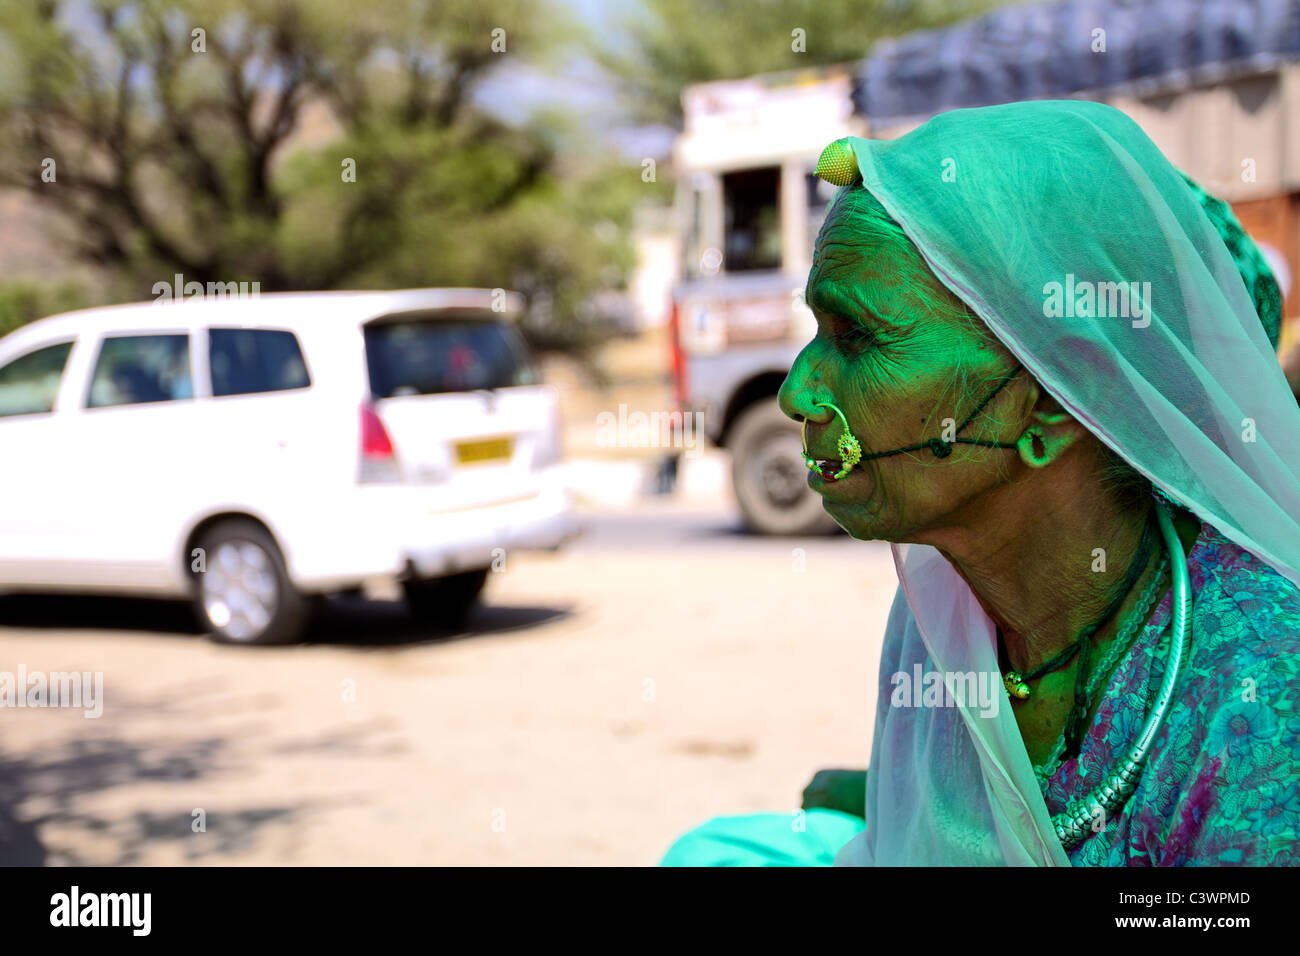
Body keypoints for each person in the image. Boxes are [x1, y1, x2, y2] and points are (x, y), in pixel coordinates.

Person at [660, 99, 1300, 866]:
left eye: (858, 335)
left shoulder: (1259, 699)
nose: (796, 392)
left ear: (1056, 403)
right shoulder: (947, 596)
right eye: (817, 333)